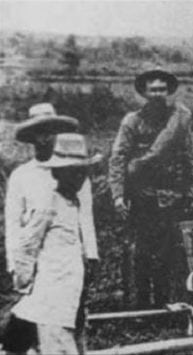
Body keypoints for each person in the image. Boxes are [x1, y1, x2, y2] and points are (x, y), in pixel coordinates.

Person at [3, 104, 98, 355]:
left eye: (51, 131)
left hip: (70, 269)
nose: (45, 137)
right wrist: (19, 270)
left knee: (68, 324)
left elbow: (85, 219)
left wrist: (91, 256)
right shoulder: (23, 177)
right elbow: (18, 229)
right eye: (40, 132)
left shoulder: (76, 180)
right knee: (46, 326)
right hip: (43, 270)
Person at [108, 67, 193, 308]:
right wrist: (118, 195)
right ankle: (142, 305)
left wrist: (191, 190)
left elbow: (190, 156)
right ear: (144, 93)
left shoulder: (178, 119)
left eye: (162, 89)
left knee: (167, 252)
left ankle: (163, 304)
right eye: (153, 89)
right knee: (141, 253)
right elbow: (118, 159)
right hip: (141, 198)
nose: (158, 94)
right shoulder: (133, 121)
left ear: (168, 92)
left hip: (171, 197)